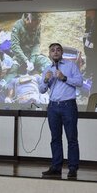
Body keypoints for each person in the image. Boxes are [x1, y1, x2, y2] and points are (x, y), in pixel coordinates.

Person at [39, 43, 83, 178]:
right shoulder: (47, 69)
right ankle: (56, 167)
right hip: (53, 107)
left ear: (62, 52)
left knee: (72, 138)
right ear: (49, 54)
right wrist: (46, 80)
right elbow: (41, 90)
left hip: (68, 106)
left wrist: (64, 77)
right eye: (52, 50)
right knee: (55, 138)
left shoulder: (71, 66)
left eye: (58, 50)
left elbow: (80, 82)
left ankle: (73, 168)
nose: (55, 52)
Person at [4, 13, 51, 84]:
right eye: (32, 25)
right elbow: (15, 46)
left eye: (36, 25)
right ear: (27, 20)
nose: (34, 28)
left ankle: (46, 82)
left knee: (46, 62)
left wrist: (32, 61)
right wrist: (26, 61)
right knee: (12, 70)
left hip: (32, 54)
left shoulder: (37, 25)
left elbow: (36, 44)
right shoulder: (18, 26)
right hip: (19, 56)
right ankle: (4, 87)